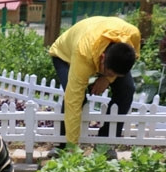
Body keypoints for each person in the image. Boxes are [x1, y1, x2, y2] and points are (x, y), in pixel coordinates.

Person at [47, 16, 140, 159]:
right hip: (65, 56)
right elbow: (73, 101)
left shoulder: (132, 35)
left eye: (116, 75)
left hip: (99, 41)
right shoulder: (83, 53)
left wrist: (107, 78)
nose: (112, 75)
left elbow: (133, 57)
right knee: (77, 97)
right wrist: (73, 147)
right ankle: (64, 147)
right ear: (103, 58)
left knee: (127, 89)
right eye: (110, 72)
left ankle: (105, 144)